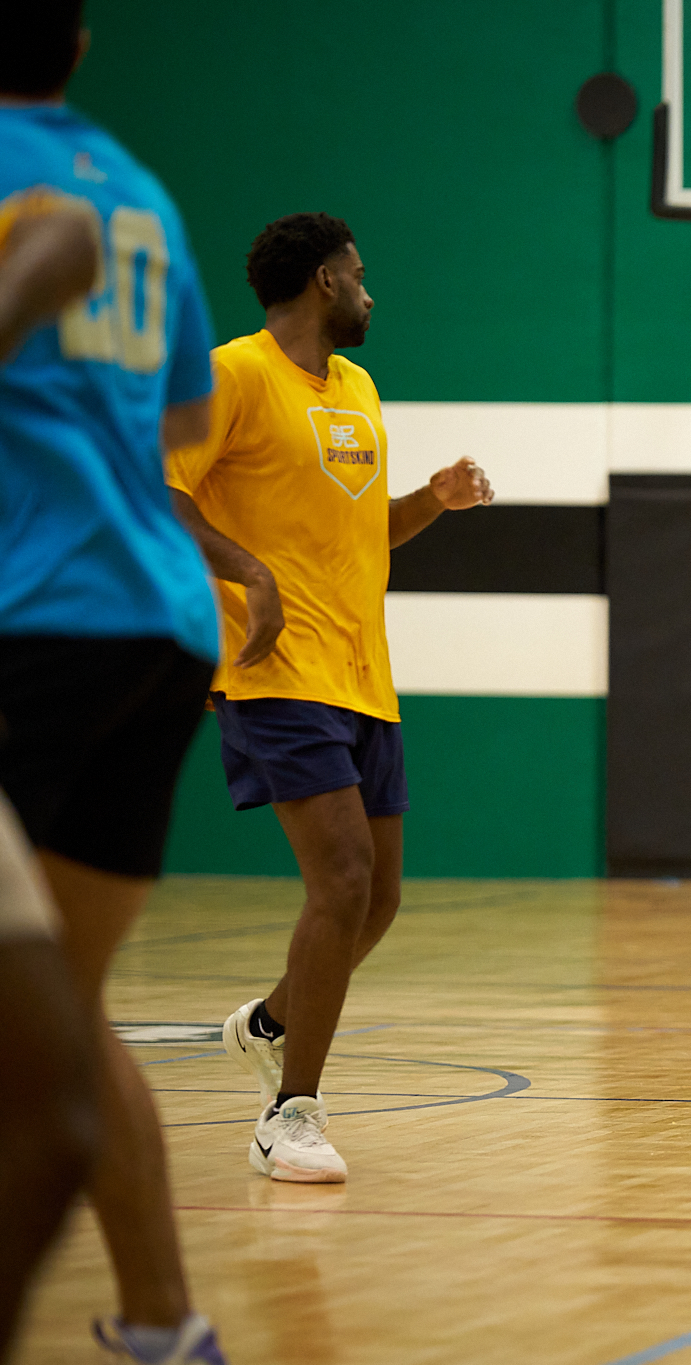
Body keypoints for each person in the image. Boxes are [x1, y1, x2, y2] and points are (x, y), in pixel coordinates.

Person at [166, 212, 492, 1184]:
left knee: (377, 899)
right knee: (342, 878)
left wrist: (434, 499)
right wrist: (250, 576)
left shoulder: (357, 388)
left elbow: (362, 531)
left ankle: (272, 1022)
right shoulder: (232, 374)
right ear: (322, 281)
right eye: (358, 274)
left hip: (363, 674)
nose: (368, 292)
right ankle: (289, 1114)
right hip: (272, 668)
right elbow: (160, 494)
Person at [0, 5, 231, 1361]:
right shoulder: (137, 187)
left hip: (37, 608)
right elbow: (183, 419)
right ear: (79, 43)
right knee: (66, 1011)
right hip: (158, 614)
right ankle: (163, 1322)